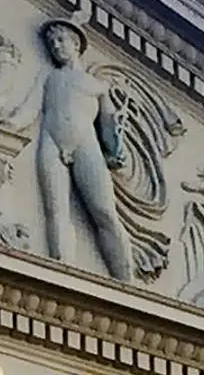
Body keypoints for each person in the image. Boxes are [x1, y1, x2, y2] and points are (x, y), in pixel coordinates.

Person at [35, 17, 134, 282]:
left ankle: (127, 281)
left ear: (76, 44)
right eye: (52, 42)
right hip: (51, 141)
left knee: (104, 212)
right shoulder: (50, 78)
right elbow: (31, 107)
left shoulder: (97, 86)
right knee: (56, 211)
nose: (56, 46)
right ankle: (63, 270)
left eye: (61, 40)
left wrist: (115, 149)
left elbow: (108, 127)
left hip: (85, 145)